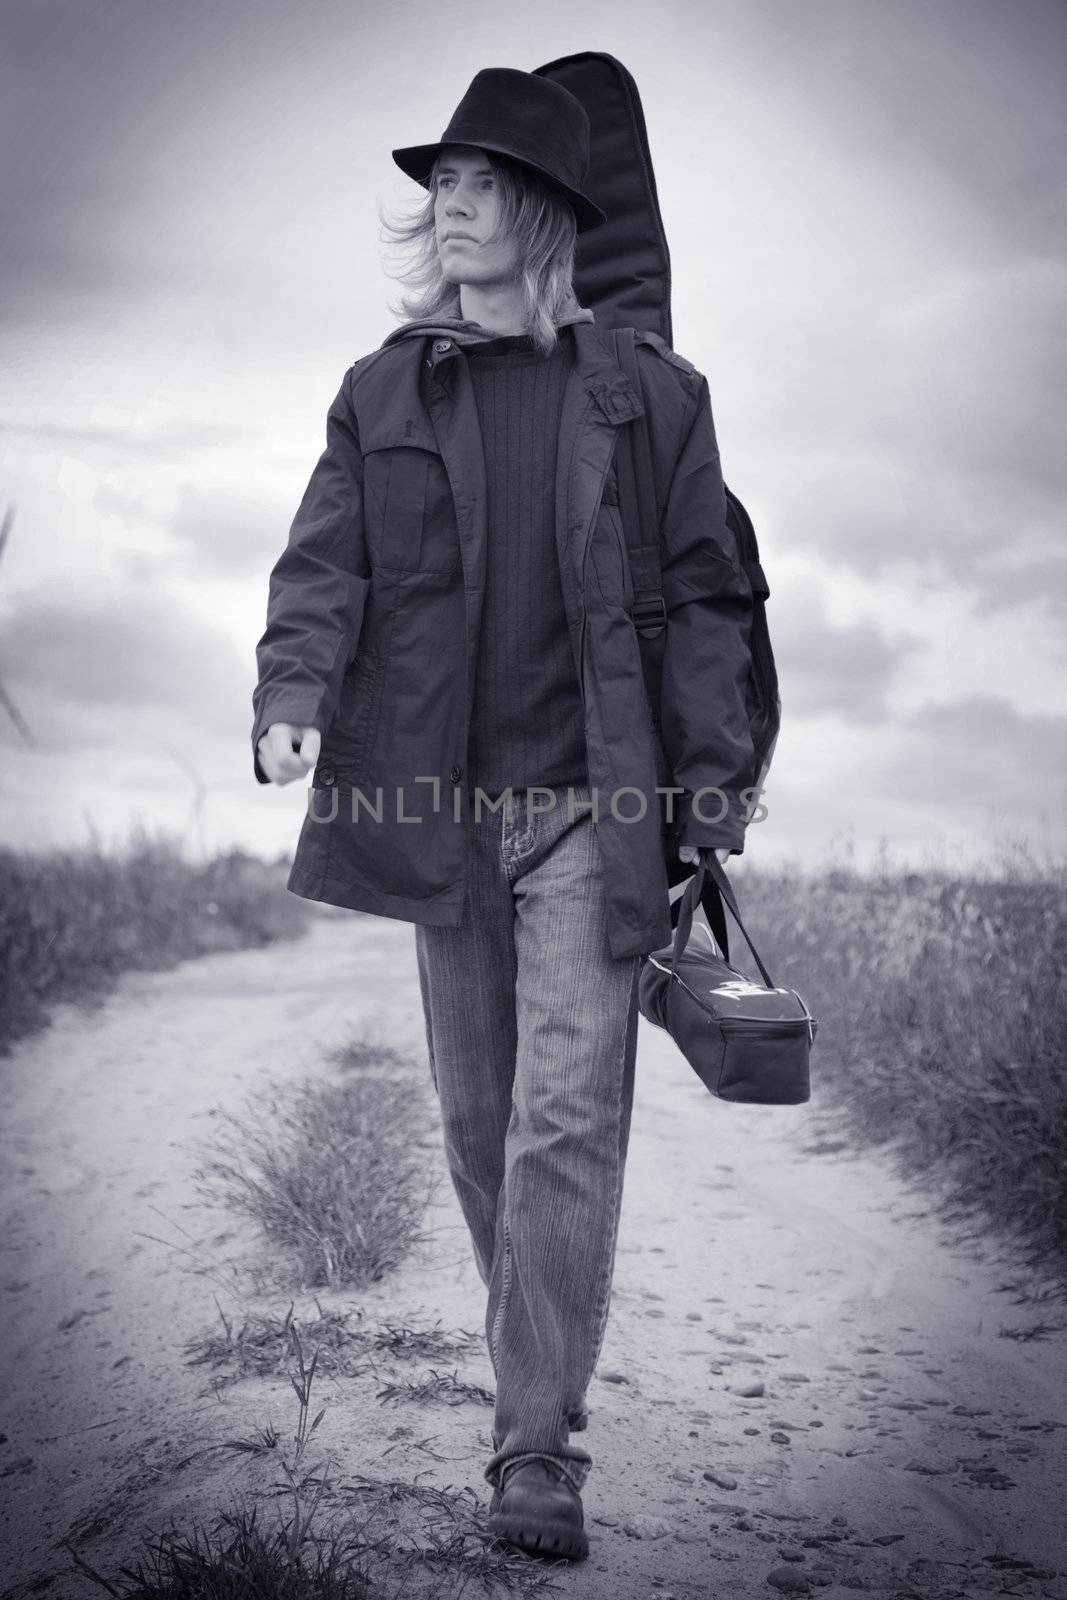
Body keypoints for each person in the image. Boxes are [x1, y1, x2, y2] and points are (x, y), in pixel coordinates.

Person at [252, 66, 757, 1562]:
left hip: (587, 819)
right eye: (439, 183)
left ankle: (535, 1448)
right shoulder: (384, 387)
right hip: (441, 816)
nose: (445, 202)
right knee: (481, 1127)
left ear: (538, 209)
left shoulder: (652, 394)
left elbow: (713, 598)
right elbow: (322, 564)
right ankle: (532, 1363)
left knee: (560, 1130)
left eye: (474, 179)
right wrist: (293, 689)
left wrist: (711, 786)